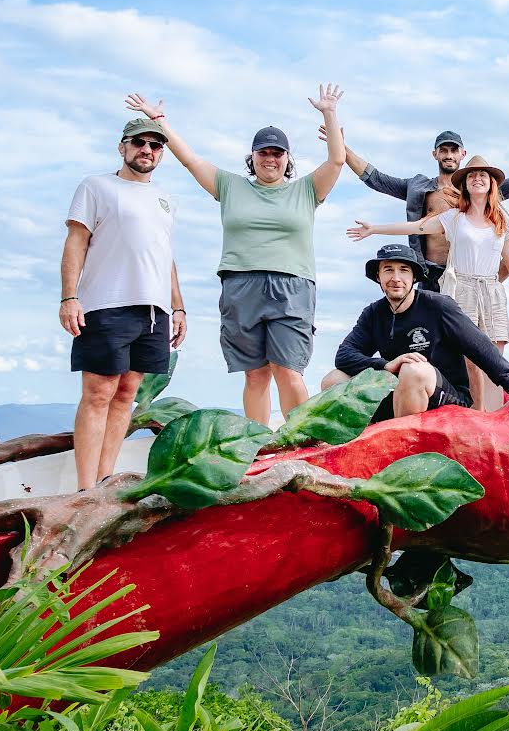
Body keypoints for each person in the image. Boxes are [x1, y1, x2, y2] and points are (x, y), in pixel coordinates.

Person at [126, 85, 346, 425]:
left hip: (292, 287)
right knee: (255, 374)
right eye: (263, 153)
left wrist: (329, 114)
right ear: (252, 157)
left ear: (287, 159)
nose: (270, 159)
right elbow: (190, 159)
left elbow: (336, 159)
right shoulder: (230, 186)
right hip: (240, 285)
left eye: (277, 153)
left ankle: (302, 443)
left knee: (288, 369)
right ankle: (257, 445)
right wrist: (159, 121)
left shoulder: (306, 190)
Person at [60, 115, 187, 490]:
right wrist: (70, 297)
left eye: (155, 145)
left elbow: (166, 257)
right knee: (98, 393)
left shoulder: (165, 199)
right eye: (139, 143)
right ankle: (84, 490)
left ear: (161, 153)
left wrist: (177, 307)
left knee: (127, 394)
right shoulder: (96, 187)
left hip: (154, 310)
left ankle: (104, 480)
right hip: (105, 304)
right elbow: (76, 243)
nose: (146, 150)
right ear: (123, 147)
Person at [346, 155, 509, 411]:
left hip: (491, 289)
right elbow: (417, 227)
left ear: (492, 183)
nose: (477, 178)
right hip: (461, 286)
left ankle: (496, 417)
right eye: (472, 175)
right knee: (469, 357)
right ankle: (477, 415)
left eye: (483, 175)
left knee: (494, 352)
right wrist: (375, 229)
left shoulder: (501, 220)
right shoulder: (453, 218)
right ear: (464, 184)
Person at [325, 123, 509, 293]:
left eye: (453, 150)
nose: (448, 155)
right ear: (435, 154)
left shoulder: (480, 190)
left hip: (467, 275)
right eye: (443, 150)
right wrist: (342, 148)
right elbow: (376, 179)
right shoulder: (418, 187)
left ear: (462, 153)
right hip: (429, 273)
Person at [332, 245, 509, 422]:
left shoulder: (438, 306)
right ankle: (352, 447)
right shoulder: (374, 313)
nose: (396, 278)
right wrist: (385, 365)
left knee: (413, 370)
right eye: (388, 270)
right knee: (333, 380)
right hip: (399, 395)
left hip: (447, 397)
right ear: (378, 277)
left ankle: (408, 453)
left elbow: (479, 346)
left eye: (404, 270)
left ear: (414, 277)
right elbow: (344, 356)